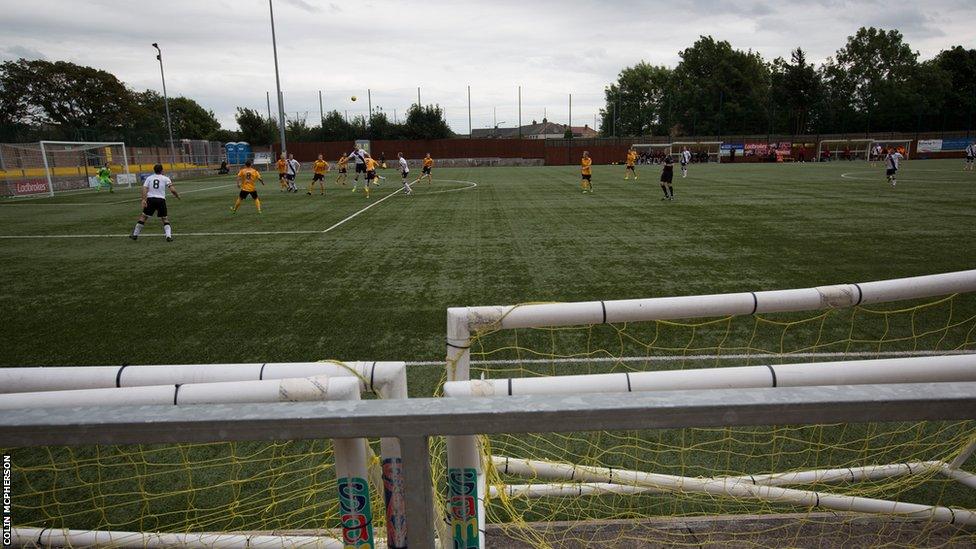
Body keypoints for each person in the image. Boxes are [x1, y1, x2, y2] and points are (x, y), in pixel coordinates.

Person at [130, 164, 180, 242]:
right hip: (161, 200)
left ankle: (135, 235)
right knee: (164, 218)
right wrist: (177, 196)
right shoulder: (165, 178)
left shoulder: (149, 178)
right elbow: (173, 190)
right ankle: (168, 236)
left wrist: (143, 199)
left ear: (154, 170)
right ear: (162, 170)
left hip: (150, 199)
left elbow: (144, 189)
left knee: (143, 217)